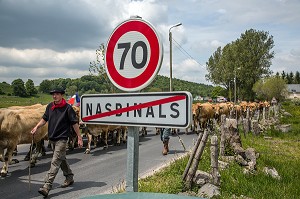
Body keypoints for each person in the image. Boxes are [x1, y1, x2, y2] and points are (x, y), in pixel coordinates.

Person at [31, 88, 83, 197]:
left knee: (55, 162)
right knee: (61, 158)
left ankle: (47, 186)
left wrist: (79, 136)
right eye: (53, 94)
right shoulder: (50, 106)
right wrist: (36, 127)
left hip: (62, 139)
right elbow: (44, 119)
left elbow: (74, 123)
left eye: (57, 94)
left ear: (62, 95)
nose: (55, 96)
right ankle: (69, 177)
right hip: (52, 138)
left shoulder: (68, 108)